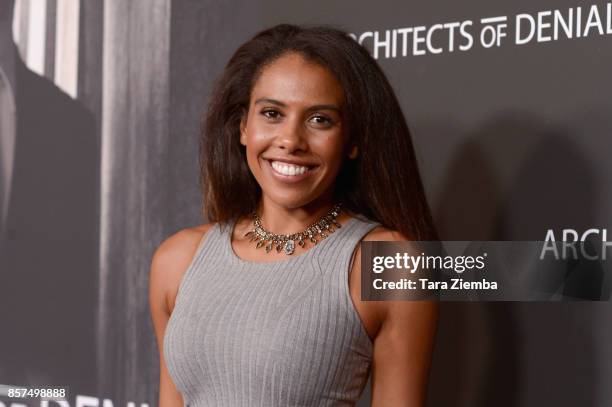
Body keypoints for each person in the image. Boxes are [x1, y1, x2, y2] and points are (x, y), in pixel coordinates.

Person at [149, 24, 438, 406]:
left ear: (352, 142)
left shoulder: (390, 263)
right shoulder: (177, 259)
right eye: (271, 113)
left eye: (320, 120)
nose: (290, 141)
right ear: (242, 128)